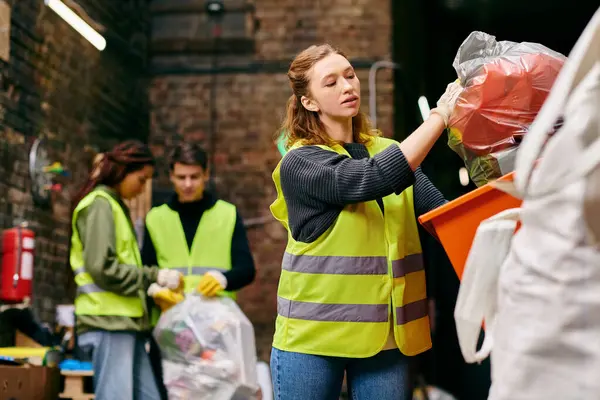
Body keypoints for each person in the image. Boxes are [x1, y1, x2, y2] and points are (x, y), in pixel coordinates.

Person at [269, 44, 462, 400]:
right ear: (308, 101)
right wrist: (439, 117)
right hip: (313, 340)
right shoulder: (301, 162)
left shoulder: (387, 151)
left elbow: (445, 217)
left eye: (350, 75)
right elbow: (368, 179)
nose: (347, 86)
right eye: (331, 83)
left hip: (386, 341)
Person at [141, 142, 257, 398]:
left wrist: (223, 279)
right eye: (181, 177)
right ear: (171, 176)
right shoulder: (156, 218)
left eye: (194, 176)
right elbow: (145, 270)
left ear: (206, 174)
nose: (188, 184)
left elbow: (247, 269)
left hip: (216, 331)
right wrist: (155, 291)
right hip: (171, 329)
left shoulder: (227, 214)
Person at [70, 140, 183, 400]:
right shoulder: (100, 205)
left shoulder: (113, 206)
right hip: (108, 323)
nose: (142, 188)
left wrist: (148, 285)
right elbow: (102, 268)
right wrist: (154, 276)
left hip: (124, 324)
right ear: (124, 171)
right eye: (141, 180)